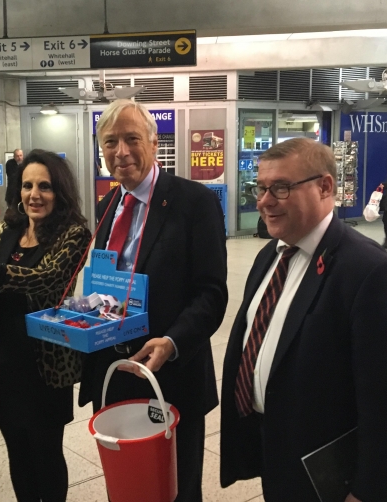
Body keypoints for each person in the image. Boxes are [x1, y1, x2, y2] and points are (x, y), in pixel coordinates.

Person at [219, 138, 387, 502]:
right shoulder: (269, 258)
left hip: (331, 474)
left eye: (280, 187)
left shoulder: (369, 272)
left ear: (325, 187)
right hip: (279, 454)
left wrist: (370, 493)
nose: (263, 201)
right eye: (260, 188)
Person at [78, 99, 228, 502]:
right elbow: (106, 279)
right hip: (113, 366)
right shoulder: (108, 204)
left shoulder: (194, 202)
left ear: (154, 141)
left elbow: (212, 293)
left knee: (174, 487)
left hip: (169, 370)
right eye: (110, 142)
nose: (121, 152)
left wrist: (172, 342)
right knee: (127, 482)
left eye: (131, 139)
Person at [0, 150, 92, 502]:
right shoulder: (9, 229)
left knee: (46, 453)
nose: (34, 194)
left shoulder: (73, 234)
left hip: (44, 362)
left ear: (59, 191)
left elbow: (47, 281)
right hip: (2, 357)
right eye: (27, 185)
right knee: (17, 451)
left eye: (44, 186)